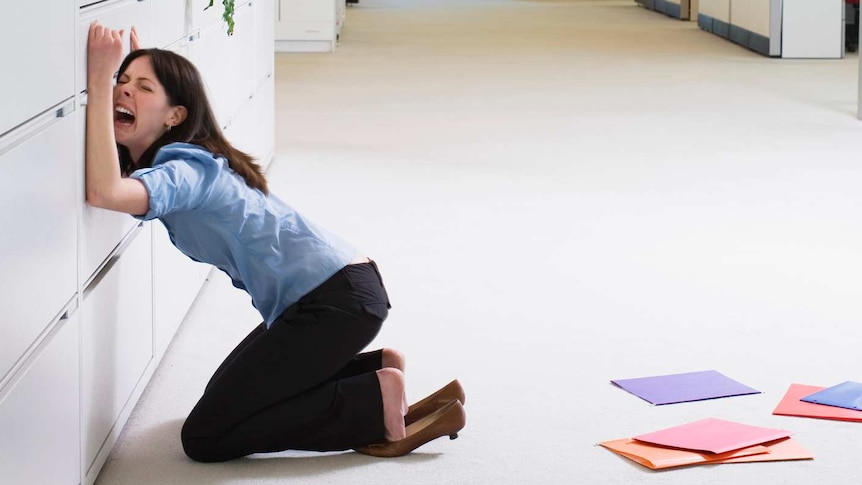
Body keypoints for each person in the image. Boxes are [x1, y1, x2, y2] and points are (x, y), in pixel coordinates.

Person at [85, 21, 466, 462]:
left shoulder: (183, 171)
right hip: (338, 292)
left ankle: (373, 401)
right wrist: (128, 78)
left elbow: (105, 191)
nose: (125, 91)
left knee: (205, 437)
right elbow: (117, 171)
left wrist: (100, 80)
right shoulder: (185, 159)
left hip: (331, 304)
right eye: (122, 82)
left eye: (144, 88)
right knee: (227, 401)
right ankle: (373, 370)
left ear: (176, 116)